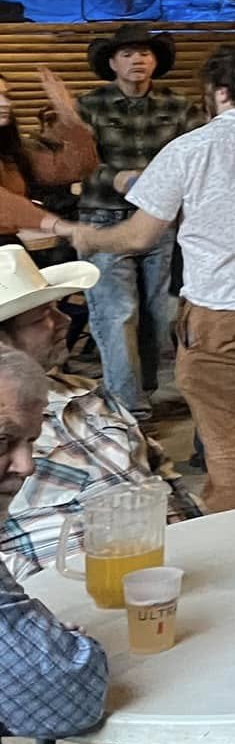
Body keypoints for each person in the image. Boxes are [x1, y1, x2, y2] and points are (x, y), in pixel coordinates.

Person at [45, 43, 235, 512]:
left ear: (220, 92)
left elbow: (140, 236)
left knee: (233, 444)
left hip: (222, 311)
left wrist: (86, 236)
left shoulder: (192, 148)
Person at [0, 248, 198, 579]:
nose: (63, 321)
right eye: (41, 318)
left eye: (56, 309)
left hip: (171, 575)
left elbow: (161, 474)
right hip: (69, 595)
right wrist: (41, 602)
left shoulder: (88, 394)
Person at [75, 23, 200, 421]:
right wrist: (116, 177)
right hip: (104, 220)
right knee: (117, 312)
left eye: (145, 52)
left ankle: (141, 393)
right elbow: (70, 169)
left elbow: (199, 155)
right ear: (111, 62)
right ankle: (128, 410)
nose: (138, 59)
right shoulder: (88, 106)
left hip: (161, 223)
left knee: (156, 314)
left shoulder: (179, 105)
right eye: (127, 53)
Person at [0, 344, 111, 744]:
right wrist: (66, 645)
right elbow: (67, 696)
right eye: (2, 442)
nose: (27, 465)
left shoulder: (92, 395)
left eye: (30, 441)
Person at [0, 68, 97, 249]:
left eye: (6, 95)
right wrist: (57, 225)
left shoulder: (10, 152)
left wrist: (68, 116)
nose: (5, 103)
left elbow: (77, 168)